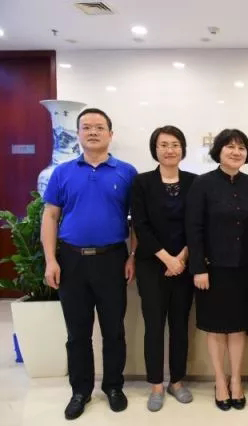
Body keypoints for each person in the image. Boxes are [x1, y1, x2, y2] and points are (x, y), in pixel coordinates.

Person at [41, 108, 137, 420]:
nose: (93, 132)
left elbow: (136, 221)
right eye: (86, 127)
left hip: (112, 259)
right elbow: (50, 216)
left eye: (99, 127)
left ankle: (113, 386)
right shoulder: (63, 172)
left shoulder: (126, 172)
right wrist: (51, 260)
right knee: (77, 333)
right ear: (79, 134)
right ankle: (80, 391)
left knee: (114, 330)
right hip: (71, 261)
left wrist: (132, 256)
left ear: (110, 134)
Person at [186, 129, 248, 411]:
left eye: (241, 147)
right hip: (212, 269)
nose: (236, 152)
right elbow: (194, 229)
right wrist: (198, 268)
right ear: (218, 151)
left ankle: (236, 380)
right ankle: (220, 381)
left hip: (245, 268)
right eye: (230, 147)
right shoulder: (202, 184)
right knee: (216, 328)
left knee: (238, 327)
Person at [130, 126, 196, 412]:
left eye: (175, 144)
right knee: (154, 326)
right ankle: (156, 384)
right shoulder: (142, 182)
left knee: (180, 325)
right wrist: (167, 259)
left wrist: (181, 258)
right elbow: (140, 225)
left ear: (183, 149)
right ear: (154, 149)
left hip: (185, 264)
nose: (170, 150)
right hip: (151, 265)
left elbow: (196, 224)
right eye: (164, 144)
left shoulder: (194, 182)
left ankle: (177, 382)